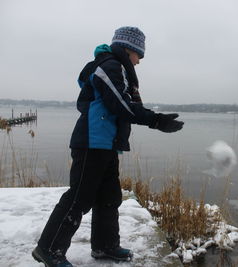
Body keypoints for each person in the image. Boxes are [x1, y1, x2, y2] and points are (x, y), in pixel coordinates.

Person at [32, 26, 184, 267]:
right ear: (128, 49)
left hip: (106, 143)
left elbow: (118, 106)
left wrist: (154, 119)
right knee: (79, 197)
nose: (139, 62)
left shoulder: (117, 68)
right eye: (139, 56)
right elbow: (119, 106)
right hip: (92, 142)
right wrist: (156, 120)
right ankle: (48, 249)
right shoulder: (111, 66)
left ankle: (105, 246)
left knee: (109, 197)